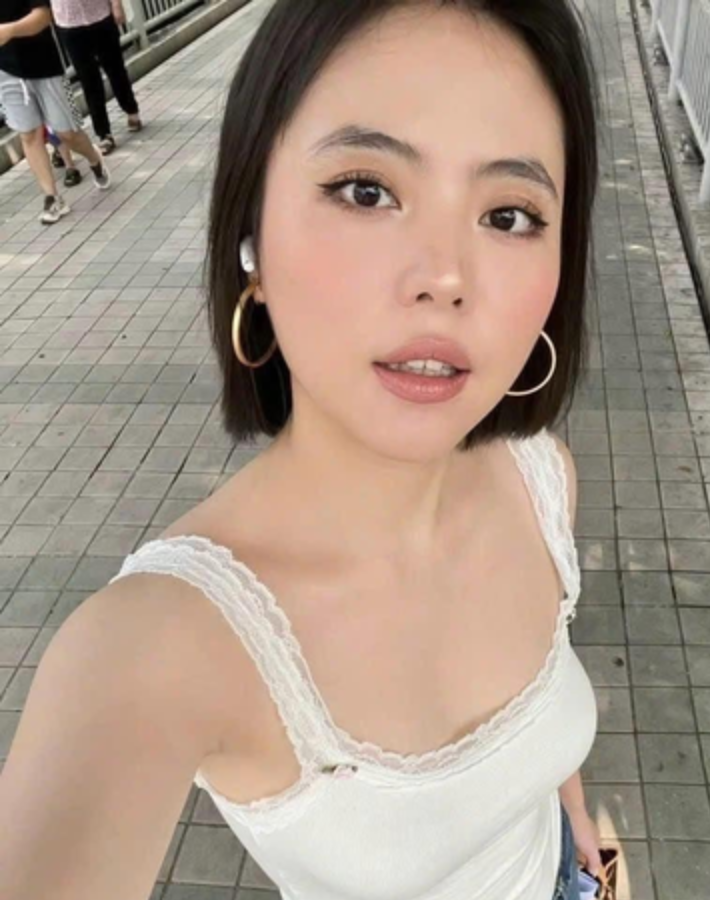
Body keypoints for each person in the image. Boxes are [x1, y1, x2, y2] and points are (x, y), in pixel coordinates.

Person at [0, 1, 604, 898]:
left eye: (511, 215)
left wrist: (583, 839)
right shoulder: (153, 649)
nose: (445, 278)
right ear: (251, 232)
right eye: (366, 191)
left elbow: (541, 731)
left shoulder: (541, 481)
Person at [0, 0, 111, 224]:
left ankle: (93, 158)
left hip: (45, 65)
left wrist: (9, 30)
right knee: (28, 134)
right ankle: (52, 198)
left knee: (67, 134)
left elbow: (43, 17)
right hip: (5, 71)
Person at [51, 0, 142, 155]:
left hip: (101, 16)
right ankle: (103, 133)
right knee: (89, 81)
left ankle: (131, 110)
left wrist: (116, 5)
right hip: (68, 23)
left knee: (115, 70)